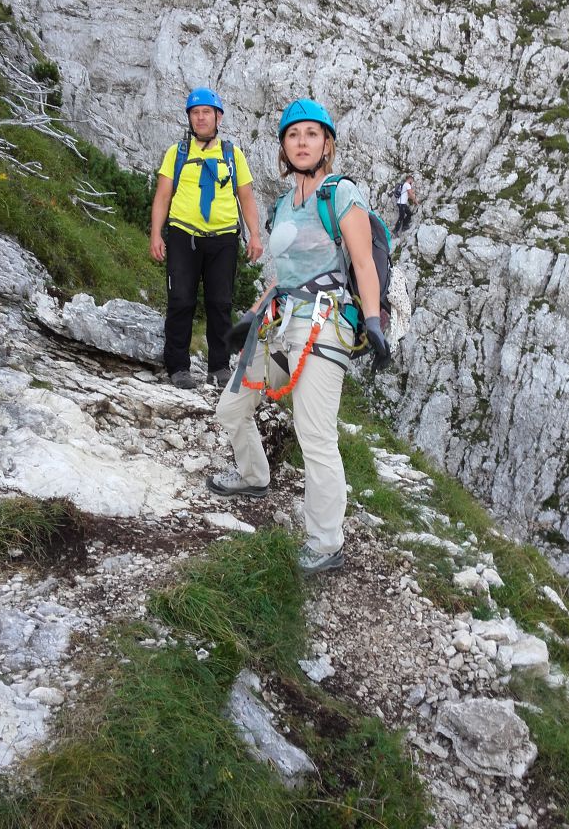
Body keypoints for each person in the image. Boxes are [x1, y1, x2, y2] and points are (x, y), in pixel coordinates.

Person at [206, 98, 390, 575]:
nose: (302, 142)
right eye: (293, 135)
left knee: (315, 436)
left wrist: (372, 320)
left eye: (311, 134)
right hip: (279, 323)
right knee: (230, 407)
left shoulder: (341, 195)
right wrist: (249, 317)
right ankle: (252, 476)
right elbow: (283, 275)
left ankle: (326, 542)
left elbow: (365, 262)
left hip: (325, 324)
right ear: (284, 148)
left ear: (327, 143)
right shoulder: (283, 205)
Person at [150, 87, 263, 389]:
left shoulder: (232, 154)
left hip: (223, 238)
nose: (200, 118)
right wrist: (155, 234)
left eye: (206, 112)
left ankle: (219, 367)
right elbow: (163, 196)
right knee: (180, 300)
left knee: (220, 303)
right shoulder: (177, 153)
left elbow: (247, 197)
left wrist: (255, 234)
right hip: (182, 235)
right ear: (189, 117)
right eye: (195, 113)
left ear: (218, 117)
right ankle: (177, 367)